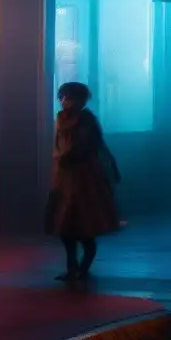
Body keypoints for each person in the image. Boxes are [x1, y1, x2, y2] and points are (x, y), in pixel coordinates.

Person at [47, 81, 121, 281]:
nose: (65, 101)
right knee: (64, 226)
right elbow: (59, 145)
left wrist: (71, 156)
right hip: (65, 177)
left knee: (85, 225)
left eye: (69, 97)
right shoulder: (61, 118)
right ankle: (73, 267)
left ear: (81, 99)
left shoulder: (87, 119)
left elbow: (91, 145)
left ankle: (83, 269)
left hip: (85, 177)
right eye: (62, 97)